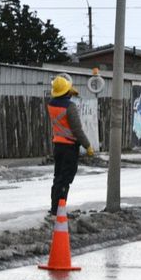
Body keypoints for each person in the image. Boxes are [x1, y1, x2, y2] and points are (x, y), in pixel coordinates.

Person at [47, 75, 93, 215]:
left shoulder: (51, 104)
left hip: (58, 146)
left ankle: (54, 208)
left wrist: (68, 92)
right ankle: (59, 210)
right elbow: (77, 129)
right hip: (69, 147)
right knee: (65, 180)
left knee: (58, 178)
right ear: (66, 92)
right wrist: (87, 145)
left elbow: (60, 99)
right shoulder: (70, 107)